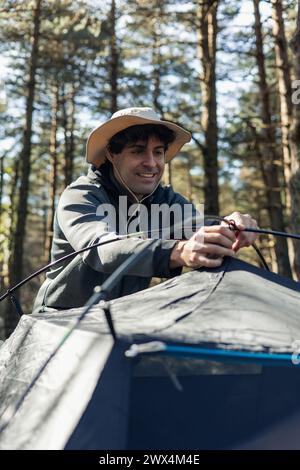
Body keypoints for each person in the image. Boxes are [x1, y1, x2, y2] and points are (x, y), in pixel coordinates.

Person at [33, 107, 258, 313]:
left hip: (123, 322)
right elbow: (100, 248)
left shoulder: (166, 200)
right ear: (112, 154)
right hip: (59, 321)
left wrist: (233, 226)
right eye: (138, 151)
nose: (151, 163)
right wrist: (178, 251)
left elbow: (202, 229)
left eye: (158, 152)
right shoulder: (81, 195)